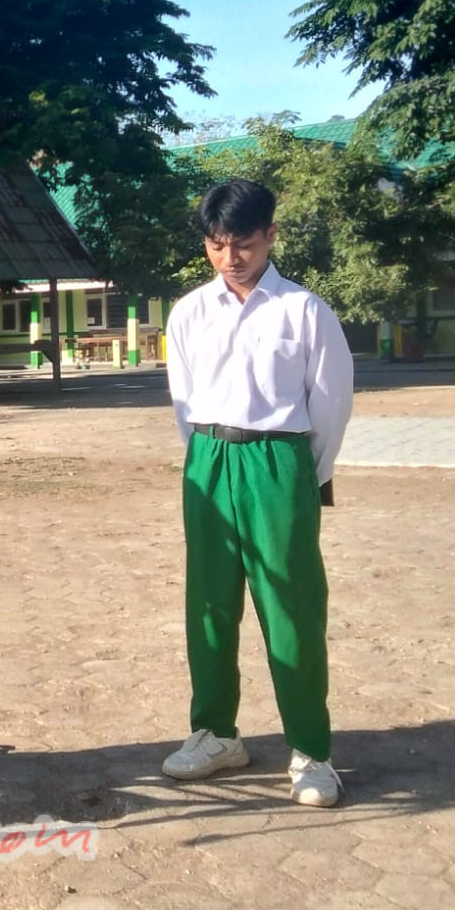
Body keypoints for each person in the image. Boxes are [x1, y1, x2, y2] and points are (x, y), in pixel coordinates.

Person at [164, 179, 354, 808]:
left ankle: (311, 752)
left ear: (270, 235)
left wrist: (303, 475)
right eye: (217, 246)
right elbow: (184, 401)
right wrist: (206, 458)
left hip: (280, 458)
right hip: (210, 459)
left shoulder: (304, 311)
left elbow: (330, 406)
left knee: (291, 606)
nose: (229, 258)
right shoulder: (189, 311)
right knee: (210, 605)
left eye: (242, 244)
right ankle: (216, 733)